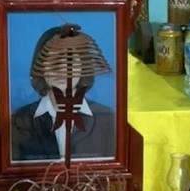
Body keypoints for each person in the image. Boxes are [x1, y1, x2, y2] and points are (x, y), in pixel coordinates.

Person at [10, 23, 116, 162]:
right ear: (41, 68)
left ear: (83, 67)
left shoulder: (107, 119)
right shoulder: (20, 120)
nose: (62, 69)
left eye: (70, 61)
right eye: (54, 61)